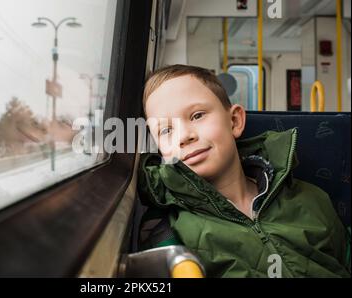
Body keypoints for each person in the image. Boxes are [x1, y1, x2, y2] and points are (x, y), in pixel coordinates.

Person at [137, 64, 350, 277]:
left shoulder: (310, 199)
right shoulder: (168, 233)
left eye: (197, 115)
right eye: (166, 130)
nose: (184, 137)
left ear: (235, 121)